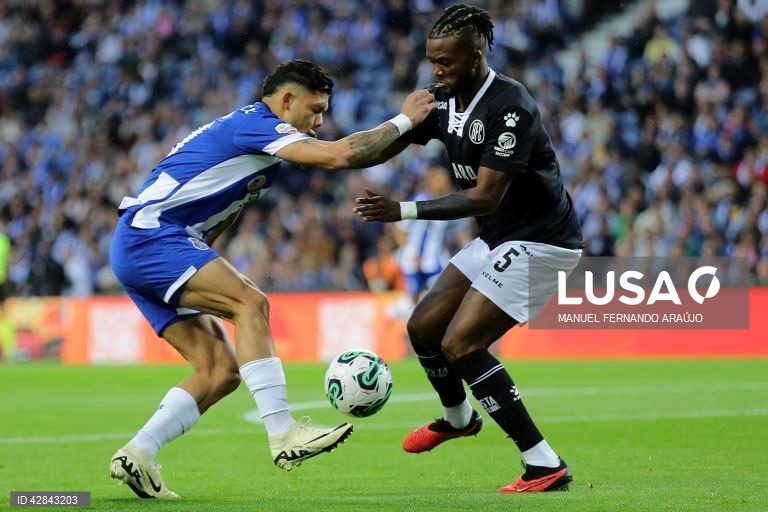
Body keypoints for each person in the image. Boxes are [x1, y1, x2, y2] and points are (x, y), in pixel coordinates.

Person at [108, 59, 434, 499]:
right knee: (252, 303)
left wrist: (409, 132)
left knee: (220, 371)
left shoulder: (254, 140)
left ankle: (140, 452)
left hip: (145, 241)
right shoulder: (258, 125)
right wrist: (403, 119)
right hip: (154, 237)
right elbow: (341, 154)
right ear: (286, 101)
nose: (318, 122)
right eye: (314, 110)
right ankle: (283, 434)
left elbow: (227, 209)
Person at [353, 4, 583, 493]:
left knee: (461, 343)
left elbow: (484, 196)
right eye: (432, 60)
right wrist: (382, 128)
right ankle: (457, 419)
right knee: (423, 327)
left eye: (447, 62)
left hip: (543, 241)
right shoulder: (441, 99)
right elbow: (380, 147)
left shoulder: (510, 104)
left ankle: (544, 464)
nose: (437, 70)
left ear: (475, 56)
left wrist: (403, 210)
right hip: (499, 236)